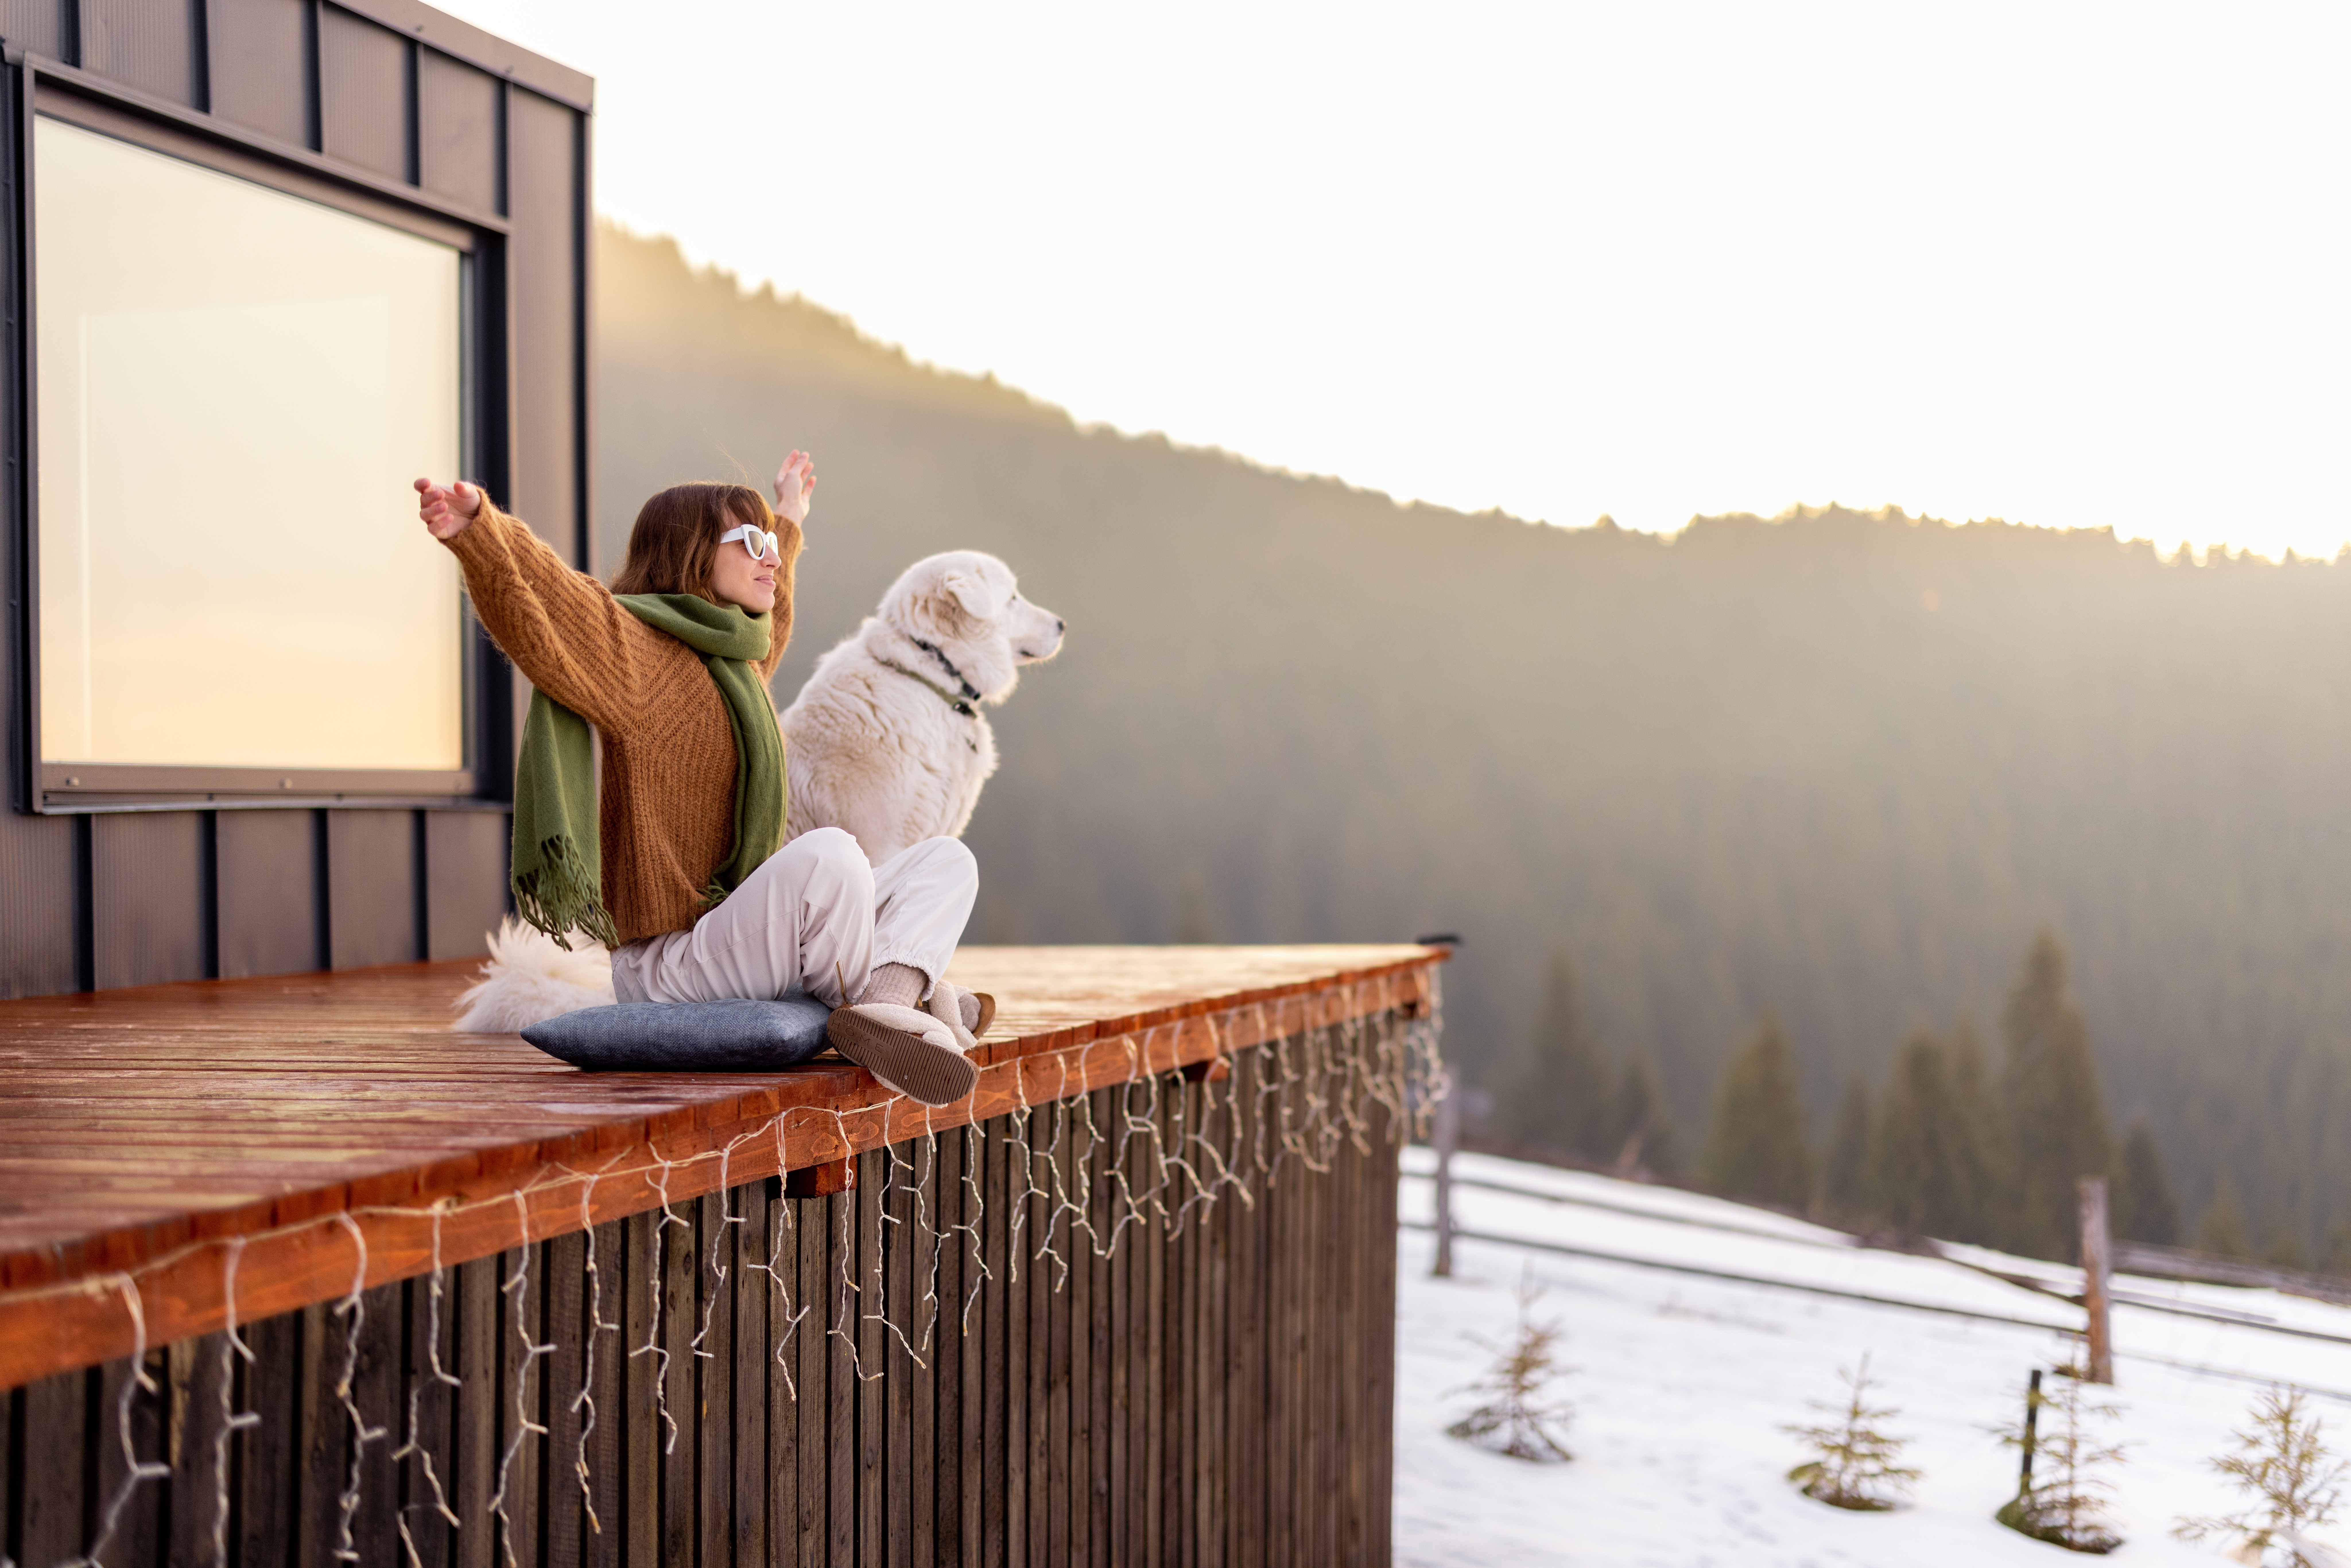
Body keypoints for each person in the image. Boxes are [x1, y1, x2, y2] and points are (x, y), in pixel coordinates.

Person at [414, 455, 987, 1106]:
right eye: (751, 543)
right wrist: (480, 533)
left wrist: (788, 520)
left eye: (770, 545)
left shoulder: (736, 660)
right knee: (832, 856)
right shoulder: (633, 653)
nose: (769, 558)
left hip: (743, 937)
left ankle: (887, 1006)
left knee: (947, 861)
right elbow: (548, 604)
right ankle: (911, 997)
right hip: (673, 961)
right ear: (688, 552)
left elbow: (778, 612)